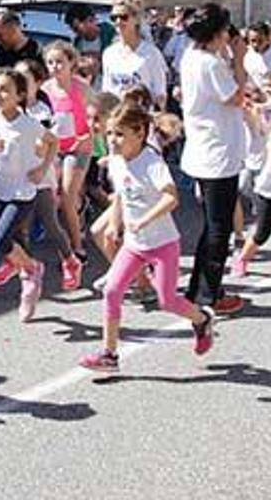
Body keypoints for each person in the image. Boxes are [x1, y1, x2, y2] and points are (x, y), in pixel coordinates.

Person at [78, 101, 217, 371]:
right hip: (134, 245)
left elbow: (171, 198)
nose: (112, 140)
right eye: (110, 133)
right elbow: (120, 194)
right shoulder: (117, 161)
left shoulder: (151, 162)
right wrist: (114, 224)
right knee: (112, 291)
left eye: (119, 134)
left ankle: (201, 319)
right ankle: (109, 354)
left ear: (140, 133)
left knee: (167, 301)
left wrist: (143, 219)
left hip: (163, 243)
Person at [179, 3, 250, 316]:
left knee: (211, 225)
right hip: (217, 154)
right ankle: (210, 294)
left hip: (204, 150)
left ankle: (199, 288)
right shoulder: (211, 63)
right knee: (218, 229)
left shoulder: (192, 56)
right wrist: (239, 61)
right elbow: (236, 96)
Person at [0, 69, 56, 323]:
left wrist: (42, 168)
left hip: (23, 192)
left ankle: (31, 268)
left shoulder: (28, 125)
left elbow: (53, 142)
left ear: (19, 95)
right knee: (18, 242)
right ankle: (28, 285)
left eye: (5, 89)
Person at [16, 58, 84, 290]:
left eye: (24, 80)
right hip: (15, 179)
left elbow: (49, 144)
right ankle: (28, 276)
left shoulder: (42, 111)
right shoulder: (9, 111)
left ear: (36, 83)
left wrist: (44, 164)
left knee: (51, 222)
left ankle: (70, 258)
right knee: (19, 227)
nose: (19, 86)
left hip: (40, 176)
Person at [41, 41, 98, 265]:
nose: (55, 67)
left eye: (60, 62)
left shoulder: (81, 88)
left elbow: (99, 116)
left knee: (66, 197)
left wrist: (89, 137)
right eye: (50, 62)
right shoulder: (45, 89)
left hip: (79, 148)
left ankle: (76, 247)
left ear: (71, 63)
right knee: (53, 199)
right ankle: (79, 208)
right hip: (55, 148)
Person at [102, 0, 170, 109]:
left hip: (142, 116)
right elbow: (107, 91)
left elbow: (160, 94)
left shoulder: (151, 53)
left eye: (124, 17)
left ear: (136, 20)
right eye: (114, 18)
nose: (118, 22)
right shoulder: (108, 54)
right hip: (117, 117)